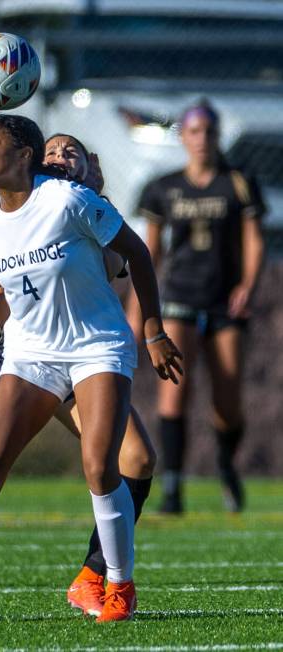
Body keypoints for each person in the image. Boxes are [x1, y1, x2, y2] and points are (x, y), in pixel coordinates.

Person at [0, 115, 182, 623]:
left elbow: (136, 251)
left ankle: (115, 585)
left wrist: (152, 330)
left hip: (95, 349)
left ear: (24, 155)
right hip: (30, 352)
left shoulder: (73, 202)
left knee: (104, 465)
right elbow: (1, 267)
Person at [132, 100, 266, 514]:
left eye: (209, 131)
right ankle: (172, 488)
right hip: (178, 297)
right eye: (194, 131)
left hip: (224, 302)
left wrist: (247, 284)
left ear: (217, 136)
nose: (202, 139)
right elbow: (149, 250)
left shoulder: (238, 182)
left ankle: (226, 464)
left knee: (227, 404)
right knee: (174, 395)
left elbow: (254, 239)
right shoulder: (164, 186)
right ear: (183, 137)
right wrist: (137, 308)